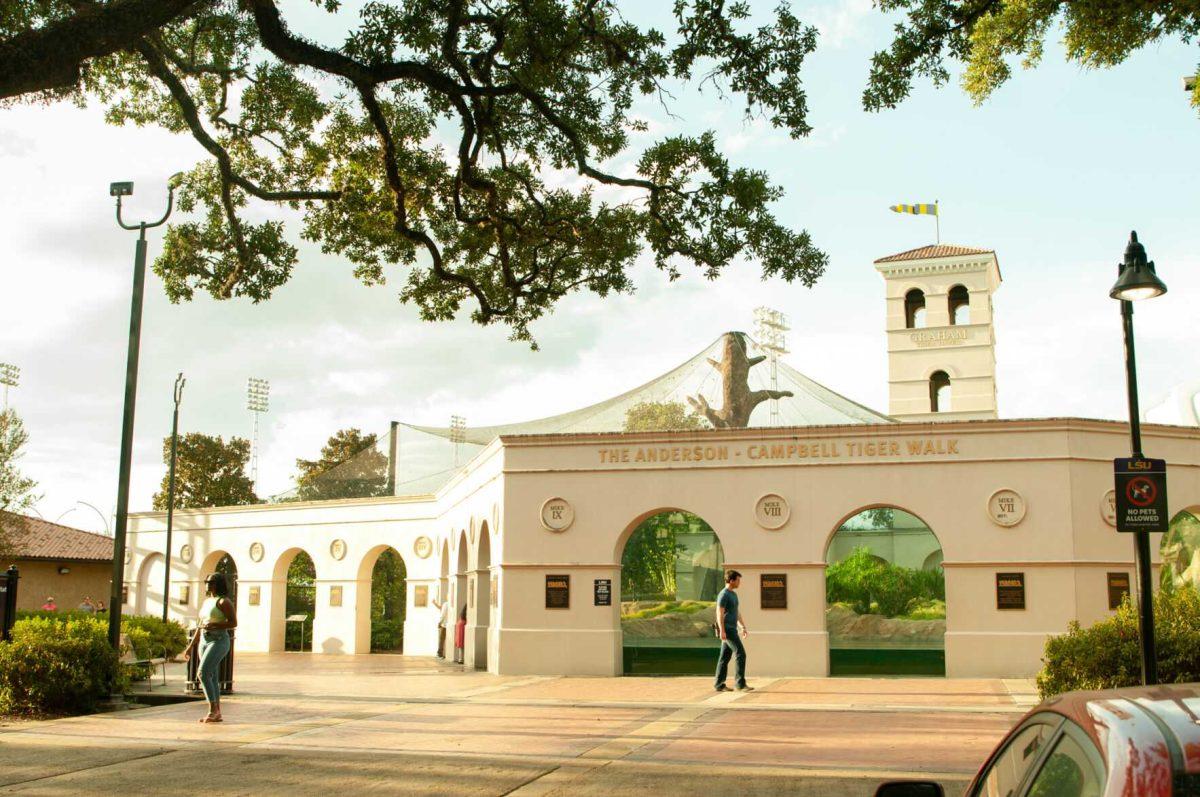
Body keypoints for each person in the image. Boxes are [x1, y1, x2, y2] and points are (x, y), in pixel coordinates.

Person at [183, 573, 238, 723]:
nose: (208, 584)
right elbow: (200, 624)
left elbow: (233, 622)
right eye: (207, 581)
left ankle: (212, 709)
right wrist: (190, 646)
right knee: (211, 676)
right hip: (204, 640)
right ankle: (217, 712)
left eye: (212, 582)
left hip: (219, 640)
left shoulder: (223, 602)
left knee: (202, 672)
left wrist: (215, 625)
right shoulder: (207, 601)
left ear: (218, 584)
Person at [714, 569, 752, 692]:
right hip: (728, 630)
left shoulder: (733, 594)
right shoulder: (723, 594)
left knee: (724, 658)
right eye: (738, 580)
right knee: (741, 654)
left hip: (733, 629)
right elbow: (719, 613)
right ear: (731, 580)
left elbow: (736, 612)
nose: (739, 582)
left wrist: (743, 626)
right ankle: (740, 684)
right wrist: (722, 630)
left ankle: (719, 684)